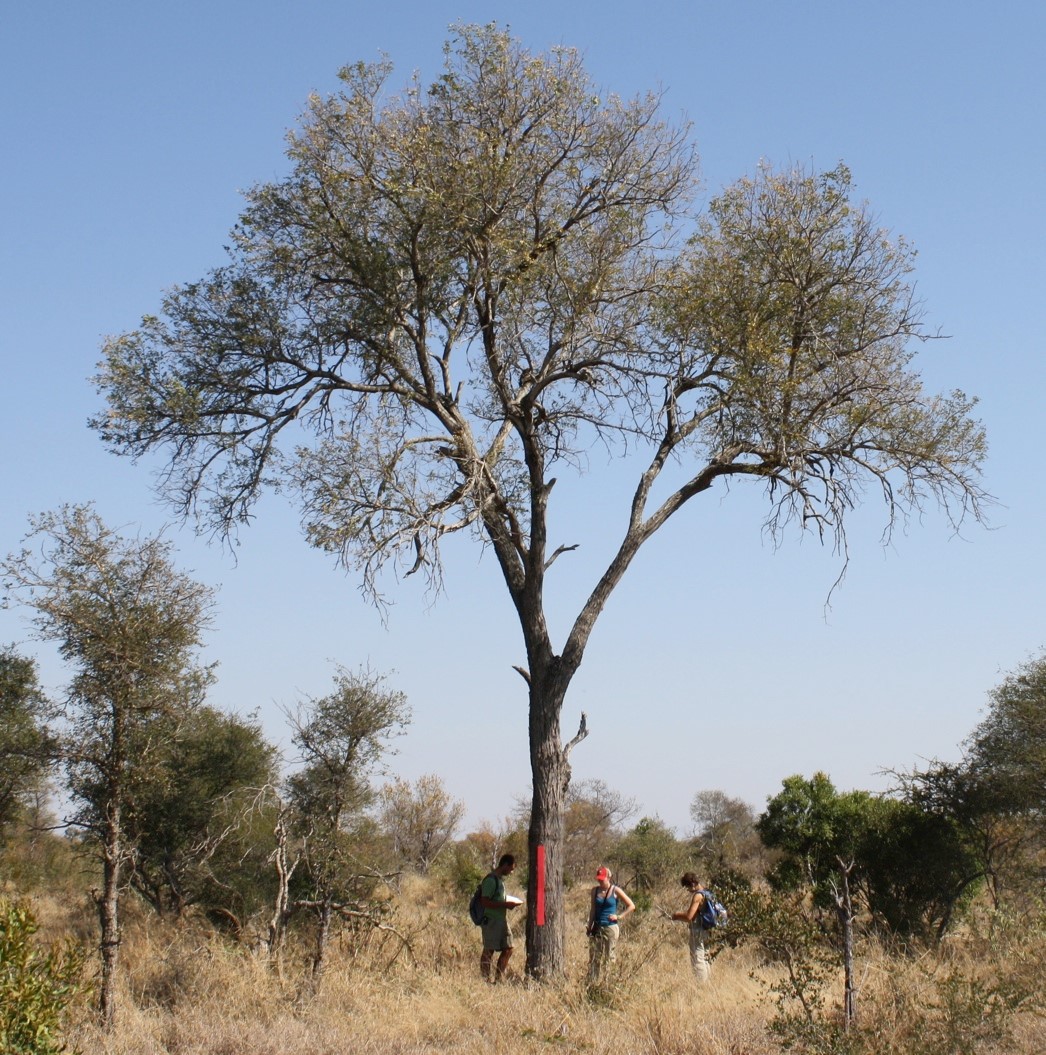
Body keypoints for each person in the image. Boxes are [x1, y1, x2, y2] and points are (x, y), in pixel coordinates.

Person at [586, 866, 635, 985]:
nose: (600, 881)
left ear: (609, 877)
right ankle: (593, 983)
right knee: (594, 958)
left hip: (610, 928)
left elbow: (631, 906)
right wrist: (589, 925)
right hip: (597, 927)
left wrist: (619, 916)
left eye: (602, 878)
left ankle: (608, 984)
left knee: (609, 958)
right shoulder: (595, 891)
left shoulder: (615, 890)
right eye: (599, 878)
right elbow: (593, 909)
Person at [478, 853, 521, 982]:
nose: (511, 872)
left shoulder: (500, 881)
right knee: (489, 950)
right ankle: (485, 980)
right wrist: (505, 904)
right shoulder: (491, 880)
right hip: (491, 921)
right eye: (511, 868)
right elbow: (484, 902)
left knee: (508, 948)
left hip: (501, 920)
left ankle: (499, 978)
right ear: (505, 865)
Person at [671, 872, 711, 981]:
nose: (688, 890)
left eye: (688, 887)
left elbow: (689, 917)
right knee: (706, 958)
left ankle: (701, 984)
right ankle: (708, 983)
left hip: (698, 931)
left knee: (698, 958)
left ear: (692, 884)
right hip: (709, 930)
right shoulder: (708, 892)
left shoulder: (698, 895)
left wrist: (677, 915)